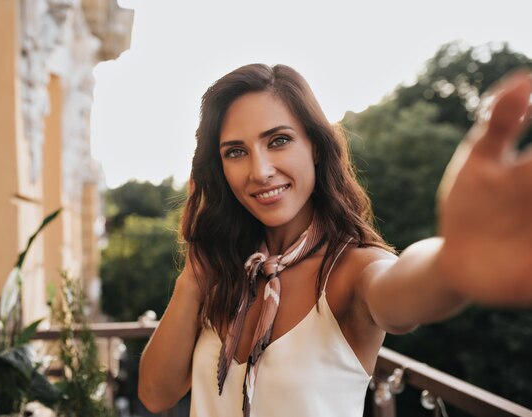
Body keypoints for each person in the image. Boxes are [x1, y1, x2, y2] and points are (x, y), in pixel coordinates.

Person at [138, 63, 532, 417]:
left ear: (314, 147)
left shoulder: (351, 270)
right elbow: (156, 395)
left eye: (278, 140)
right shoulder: (226, 270)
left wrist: (449, 265)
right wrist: (193, 275)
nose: (260, 171)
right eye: (236, 152)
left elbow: (399, 291)